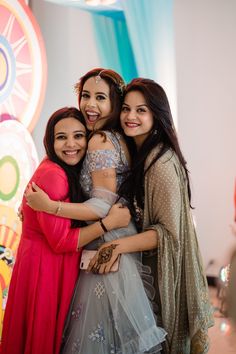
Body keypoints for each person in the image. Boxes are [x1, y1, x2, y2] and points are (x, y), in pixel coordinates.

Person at [25, 69, 167, 353]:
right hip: (114, 239)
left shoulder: (100, 139)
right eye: (86, 95)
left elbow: (102, 205)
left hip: (106, 244)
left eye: (100, 97)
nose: (90, 104)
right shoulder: (117, 137)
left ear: (114, 102)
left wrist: (50, 207)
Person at [88, 78, 215, 353]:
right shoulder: (140, 152)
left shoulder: (161, 163)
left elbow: (168, 234)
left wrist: (115, 246)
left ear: (157, 115)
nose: (130, 116)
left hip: (164, 271)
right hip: (147, 266)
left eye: (141, 110)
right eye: (127, 109)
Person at [0, 107, 131, 354]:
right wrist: (107, 224)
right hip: (45, 270)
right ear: (50, 140)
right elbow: (61, 241)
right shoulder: (54, 176)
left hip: (44, 264)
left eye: (78, 136)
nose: (71, 144)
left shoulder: (60, 167)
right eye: (61, 137)